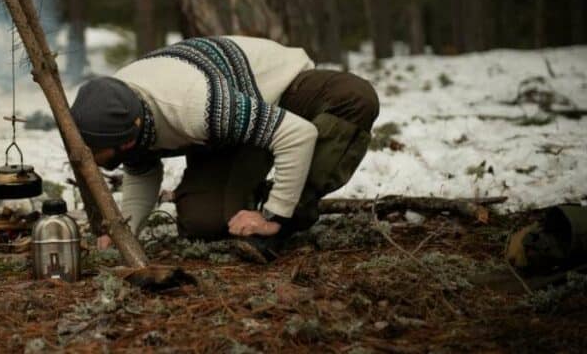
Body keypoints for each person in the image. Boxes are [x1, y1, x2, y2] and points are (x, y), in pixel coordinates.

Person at [70, 36, 379, 258]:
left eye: (101, 156)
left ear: (126, 138)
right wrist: (126, 232)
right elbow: (141, 169)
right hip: (226, 136)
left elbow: (297, 135)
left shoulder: (195, 105)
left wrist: (273, 216)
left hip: (278, 91)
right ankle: (266, 189)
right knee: (204, 223)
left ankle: (287, 212)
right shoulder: (115, 109)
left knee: (355, 97)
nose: (96, 163)